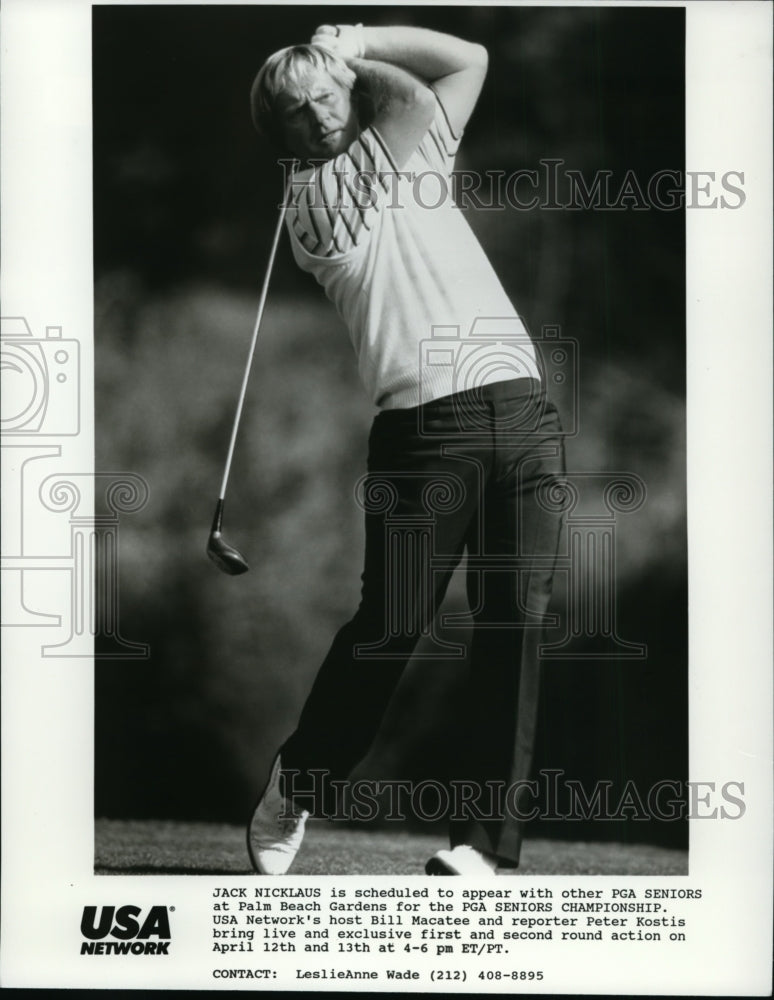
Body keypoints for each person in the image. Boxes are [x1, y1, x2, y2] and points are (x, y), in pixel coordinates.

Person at [246, 23, 565, 876]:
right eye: (293, 111)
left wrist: (368, 34)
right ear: (280, 137)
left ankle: (480, 847)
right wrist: (350, 60)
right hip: (423, 431)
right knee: (392, 628)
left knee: (513, 626)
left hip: (522, 409)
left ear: (346, 97)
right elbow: (421, 95)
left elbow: (474, 61)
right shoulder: (314, 203)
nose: (314, 117)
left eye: (323, 96)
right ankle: (299, 780)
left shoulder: (414, 156)